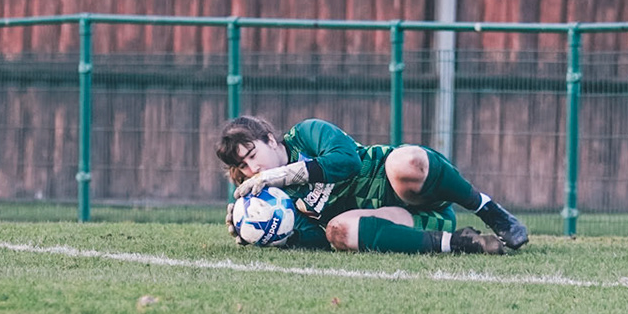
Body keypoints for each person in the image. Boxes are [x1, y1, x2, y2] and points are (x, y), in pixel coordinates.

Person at [215, 114, 529, 254]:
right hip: (400, 221)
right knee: (338, 231)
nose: (253, 169)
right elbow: (319, 240)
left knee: (406, 162)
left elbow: (347, 162)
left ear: (270, 140)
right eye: (243, 166)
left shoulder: (306, 134)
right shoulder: (276, 199)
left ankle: (489, 210)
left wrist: (286, 174)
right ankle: (460, 243)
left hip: (409, 184)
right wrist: (267, 231)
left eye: (252, 155)